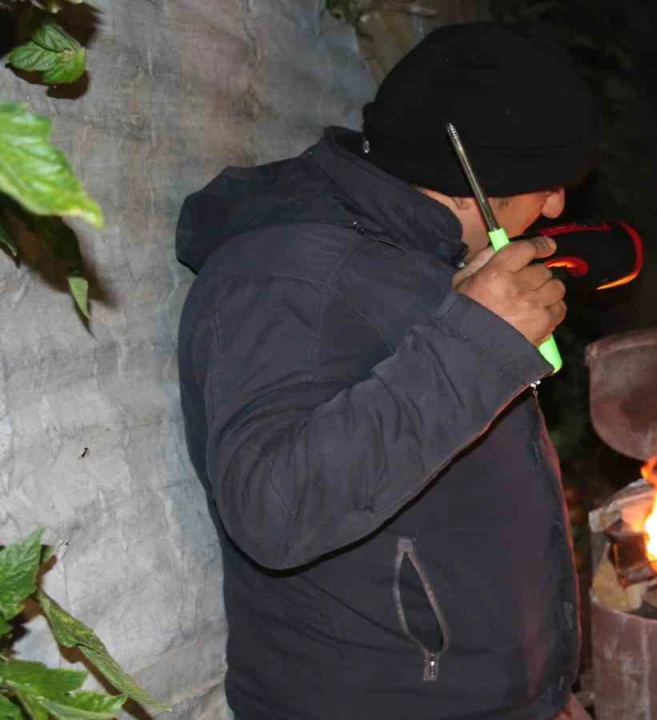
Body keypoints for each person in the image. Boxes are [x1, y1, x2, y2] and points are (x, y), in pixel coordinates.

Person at [175, 22, 596, 720]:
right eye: (546, 183)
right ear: (473, 181)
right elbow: (275, 508)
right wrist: (478, 343)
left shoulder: (425, 260)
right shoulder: (286, 277)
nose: (555, 206)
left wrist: (545, 693)